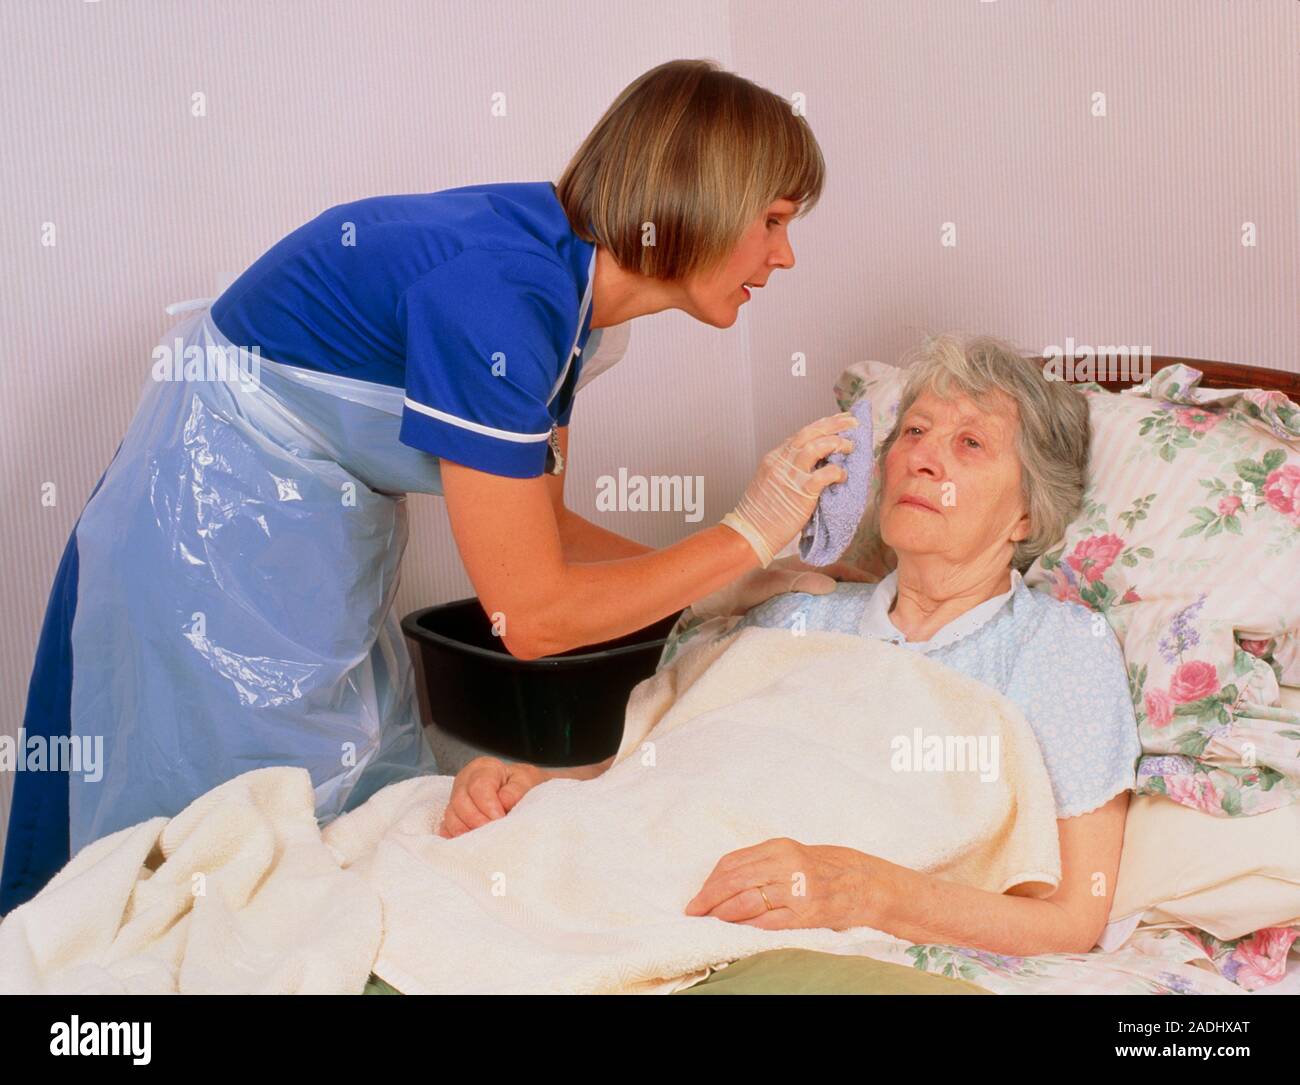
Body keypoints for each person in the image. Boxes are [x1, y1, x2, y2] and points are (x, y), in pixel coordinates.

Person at [0, 59, 866, 914]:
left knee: (343, 815)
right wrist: (742, 536)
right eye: (775, 219)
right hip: (213, 529)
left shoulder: (566, 292)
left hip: (300, 520)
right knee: (219, 854)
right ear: (702, 197)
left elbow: (548, 532)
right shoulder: (501, 300)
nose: (785, 255)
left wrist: (730, 584)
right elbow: (528, 617)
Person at [436, 334, 1145, 958]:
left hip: (752, 927)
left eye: (971, 443)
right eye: (915, 432)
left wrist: (869, 892)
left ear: (1027, 512)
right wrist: (536, 783)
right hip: (643, 875)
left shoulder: (1057, 647)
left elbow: (1074, 916)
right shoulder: (795, 612)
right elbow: (661, 777)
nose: (925, 459)